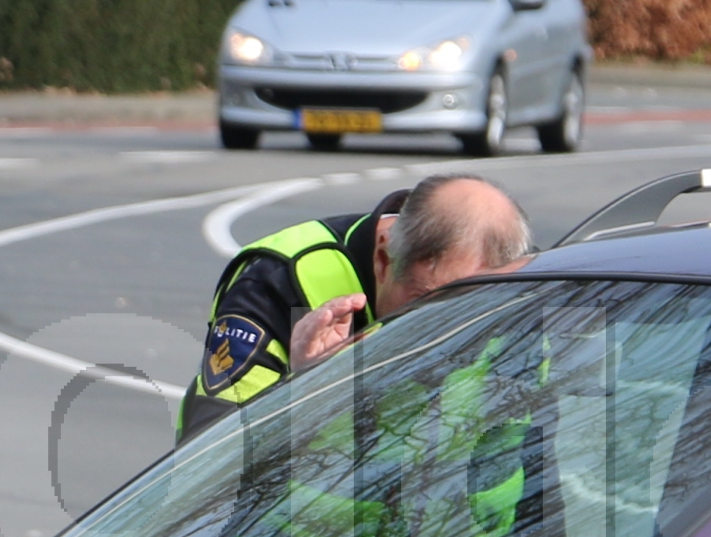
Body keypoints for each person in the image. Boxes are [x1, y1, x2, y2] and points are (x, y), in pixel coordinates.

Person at [180, 175, 531, 438]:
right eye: (427, 301)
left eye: (469, 308)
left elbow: (533, 455)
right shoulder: (284, 280)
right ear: (383, 258)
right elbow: (210, 451)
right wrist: (303, 391)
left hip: (450, 535)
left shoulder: (526, 295)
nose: (446, 327)